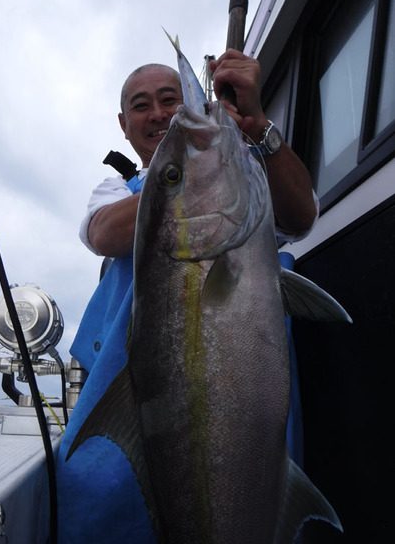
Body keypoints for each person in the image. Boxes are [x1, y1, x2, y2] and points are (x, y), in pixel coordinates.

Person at [56, 49, 318, 543]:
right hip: (144, 403)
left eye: (169, 99)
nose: (157, 113)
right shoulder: (113, 192)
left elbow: (301, 216)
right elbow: (104, 234)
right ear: (123, 123)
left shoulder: (248, 192)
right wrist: (187, 173)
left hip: (237, 405)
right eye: (141, 104)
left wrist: (255, 128)